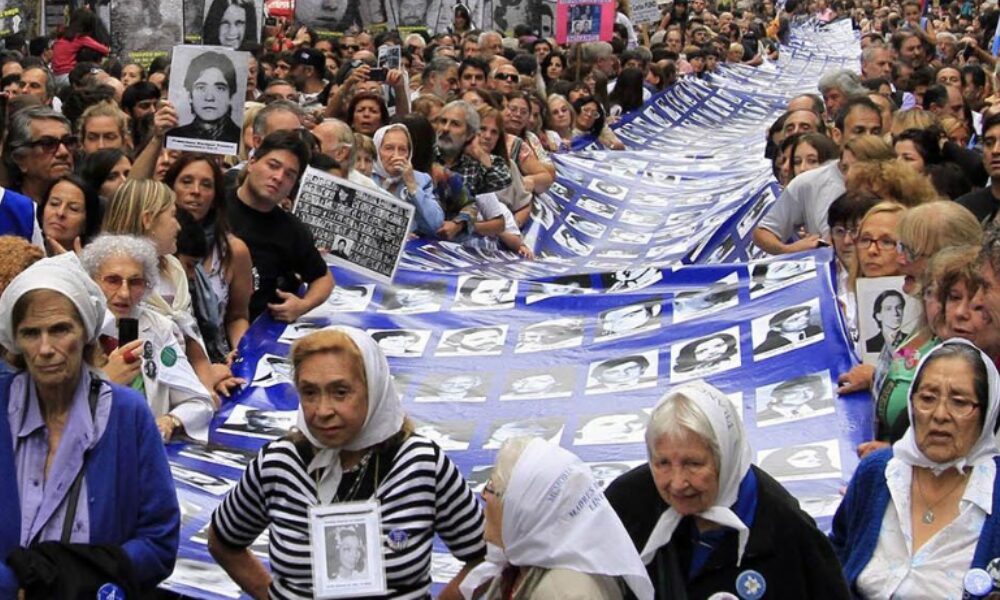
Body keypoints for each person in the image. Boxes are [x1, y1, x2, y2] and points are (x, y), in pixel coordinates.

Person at [208, 327, 486, 598]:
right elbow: (224, 541)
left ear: (373, 390)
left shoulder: (422, 465)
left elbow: (485, 558)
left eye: (340, 392)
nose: (323, 410)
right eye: (309, 392)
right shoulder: (279, 464)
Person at [0, 252, 179, 596]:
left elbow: (159, 541)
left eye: (60, 329)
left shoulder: (127, 414)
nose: (46, 348)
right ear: (16, 342)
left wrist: (73, 579)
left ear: (85, 332)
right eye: (31, 333)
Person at [606, 382, 850, 598]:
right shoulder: (627, 502)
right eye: (663, 464)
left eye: (694, 464)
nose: (678, 483)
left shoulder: (784, 527)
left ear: (726, 455)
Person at [831, 340, 1000, 599]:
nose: (940, 414)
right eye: (928, 398)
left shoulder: (993, 498)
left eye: (959, 402)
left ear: (986, 413)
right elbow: (837, 549)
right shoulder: (878, 473)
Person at [460, 437, 654, 600]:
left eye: (491, 489)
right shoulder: (520, 564)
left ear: (521, 510)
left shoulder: (565, 593)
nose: (483, 496)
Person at [80, 235, 215, 442]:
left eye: (135, 282)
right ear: (91, 281)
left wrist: (171, 419)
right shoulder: (76, 329)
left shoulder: (159, 328)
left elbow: (199, 401)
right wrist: (105, 380)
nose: (124, 293)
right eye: (113, 280)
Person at [226, 129, 334, 322]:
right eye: (273, 166)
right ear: (251, 163)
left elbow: (324, 279)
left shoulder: (291, 229)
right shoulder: (215, 205)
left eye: (289, 174)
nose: (278, 177)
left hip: (256, 328)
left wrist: (302, 305)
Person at [164, 153, 253, 363]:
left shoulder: (234, 251)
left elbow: (237, 317)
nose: (195, 191)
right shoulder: (153, 246)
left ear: (215, 198)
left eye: (206, 185)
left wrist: (242, 355)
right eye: (186, 182)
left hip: (219, 362)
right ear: (169, 189)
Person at [371, 124, 445, 238]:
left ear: (409, 154)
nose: (396, 155)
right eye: (389, 148)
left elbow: (436, 225)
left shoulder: (421, 179)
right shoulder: (365, 175)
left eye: (402, 150)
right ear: (376, 150)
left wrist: (412, 184)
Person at [169, 51, 242, 145]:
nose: (209, 97)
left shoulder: (241, 138)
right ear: (189, 95)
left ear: (231, 95)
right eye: (201, 87)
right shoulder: (174, 136)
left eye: (220, 88)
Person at [37, 174, 102, 256]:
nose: (60, 213)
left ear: (86, 223)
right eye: (54, 204)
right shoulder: (25, 254)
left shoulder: (91, 265)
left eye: (73, 208)